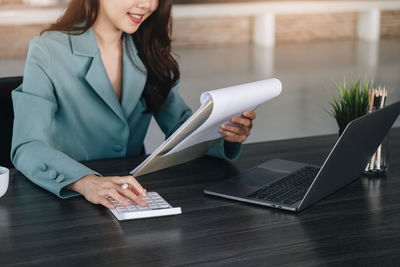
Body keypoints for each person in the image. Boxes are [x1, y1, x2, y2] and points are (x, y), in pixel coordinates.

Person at [11, 0, 256, 210]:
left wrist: (225, 133)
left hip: (132, 194)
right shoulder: (48, 50)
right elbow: (28, 145)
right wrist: (85, 181)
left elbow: (181, 128)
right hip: (69, 198)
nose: (146, 5)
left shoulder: (148, 49)